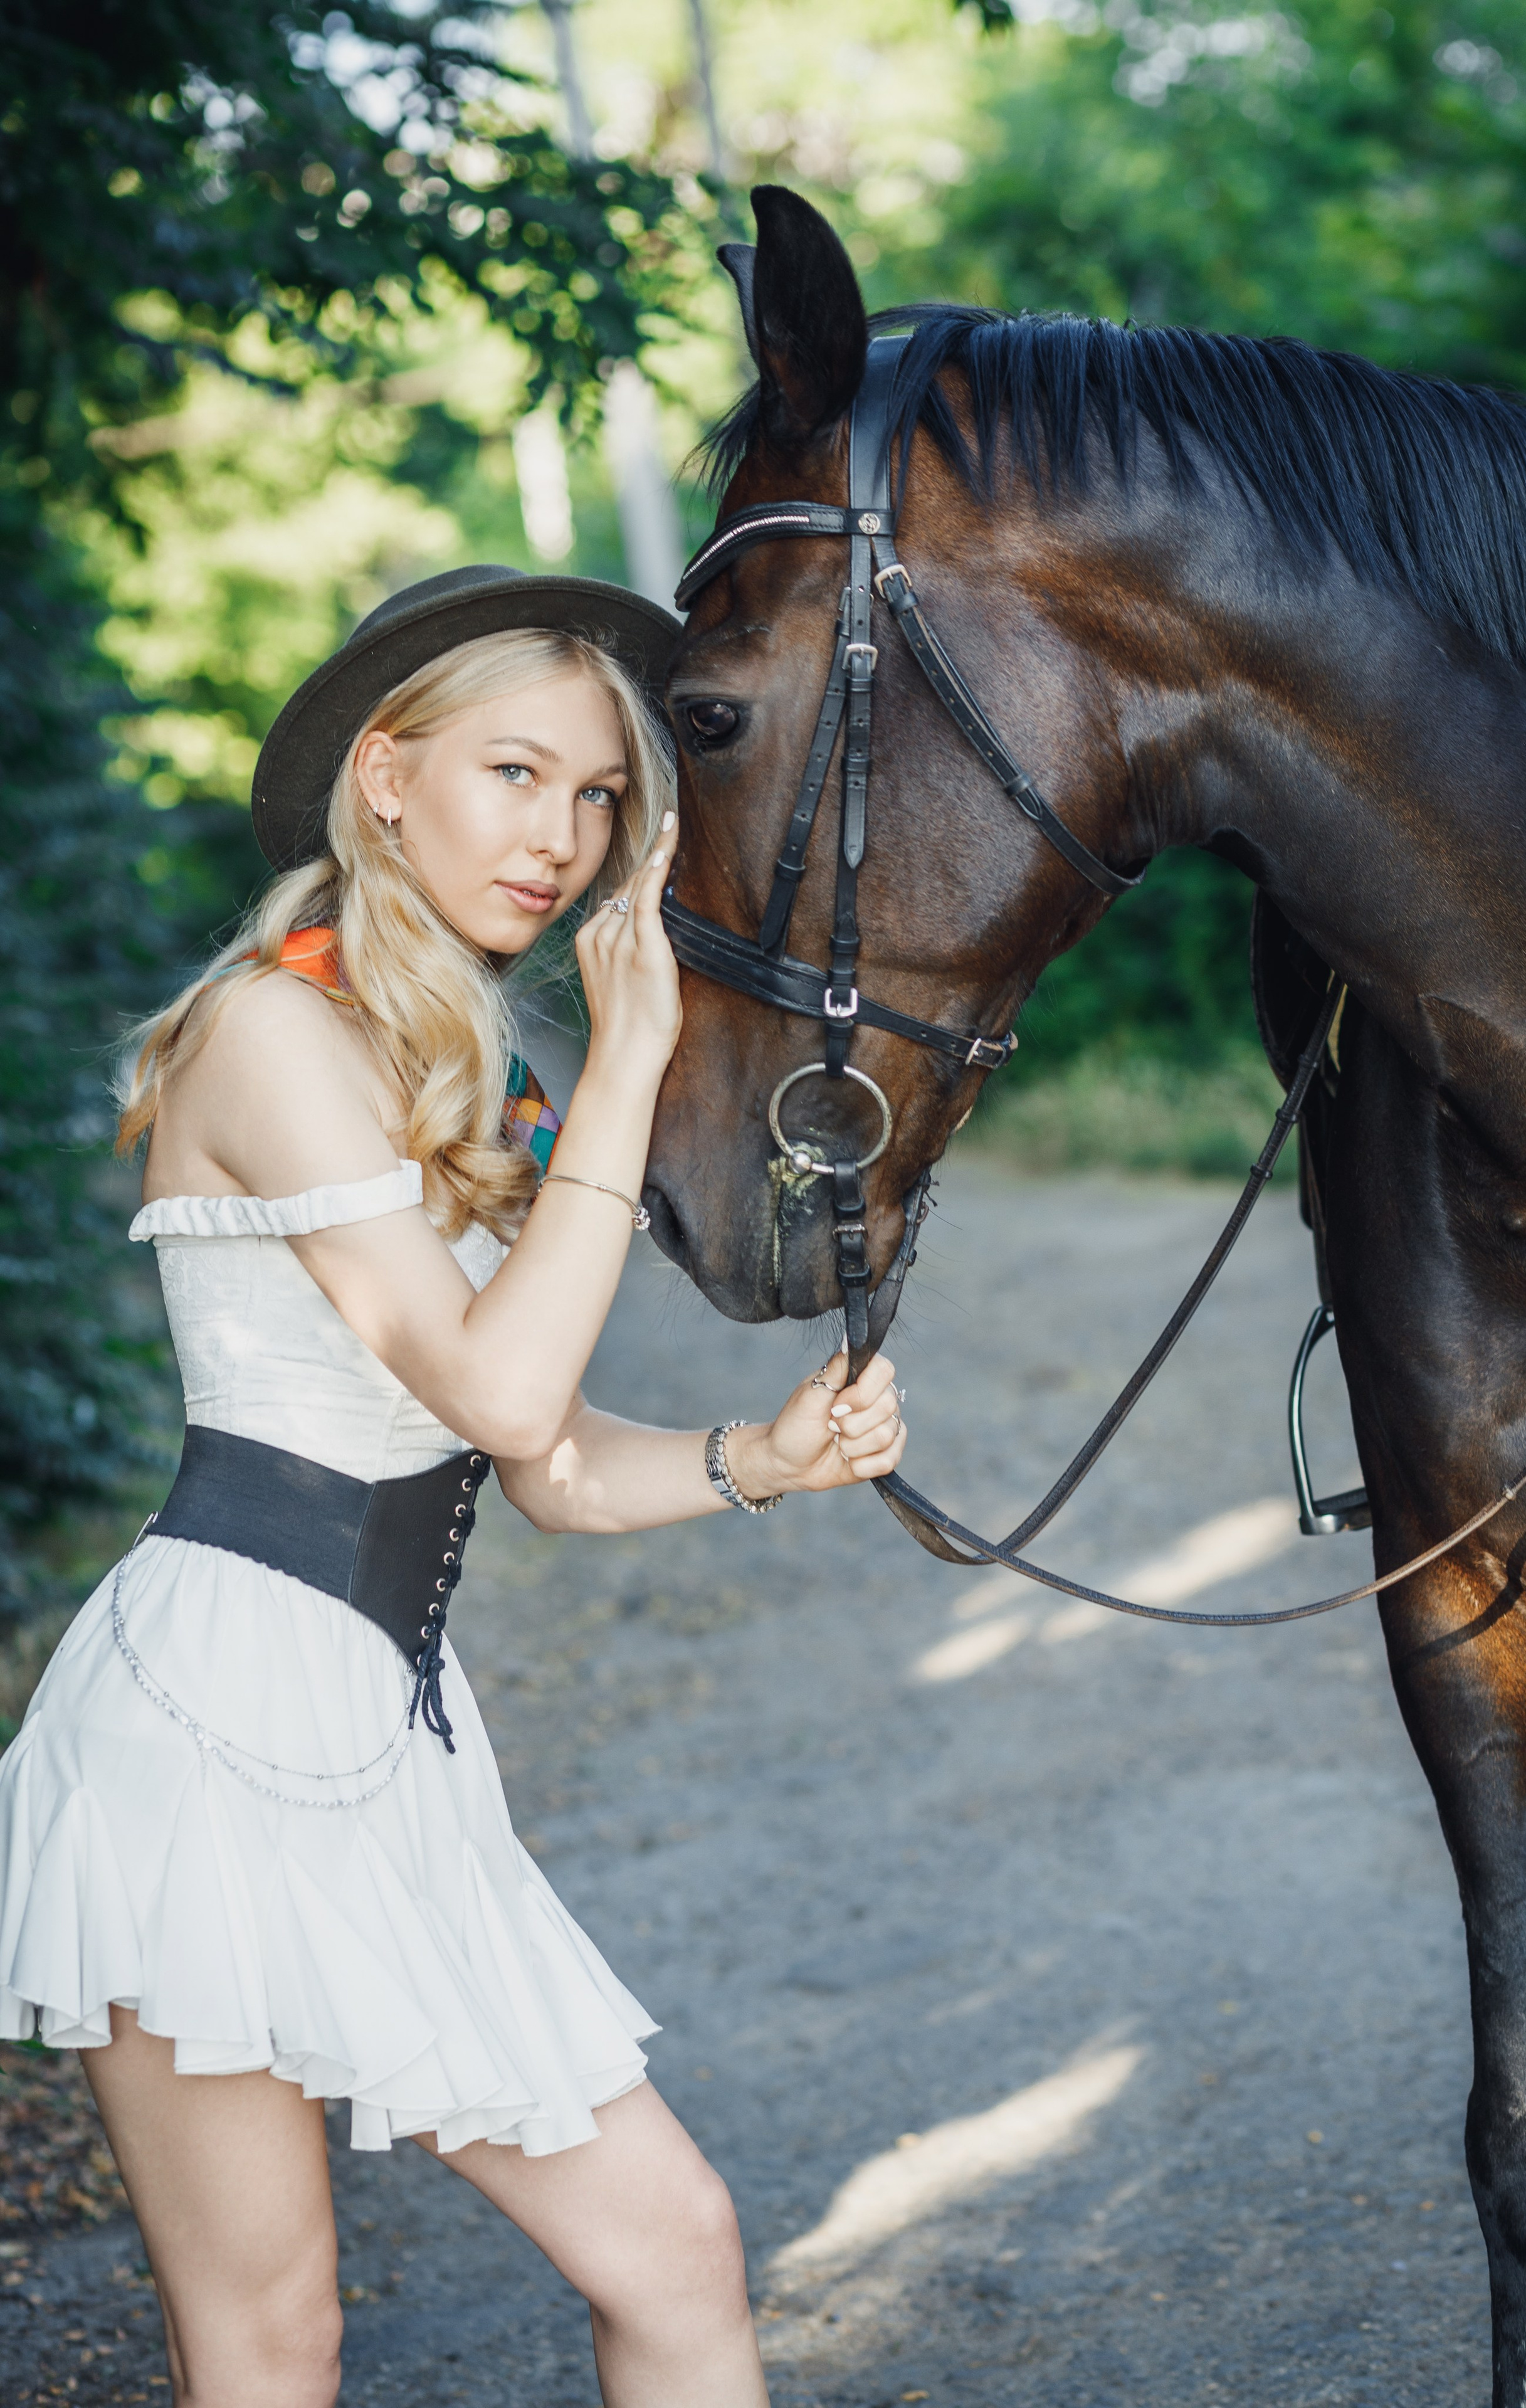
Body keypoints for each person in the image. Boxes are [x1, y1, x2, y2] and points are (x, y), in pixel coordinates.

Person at [0, 566, 907, 2408]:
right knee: (267, 2344)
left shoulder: (463, 1057)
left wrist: (759, 1458)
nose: (562, 839)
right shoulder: (269, 1032)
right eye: (517, 774)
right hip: (210, 1731)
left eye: (599, 801)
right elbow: (504, 1390)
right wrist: (637, 1064)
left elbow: (546, 1469)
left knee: (673, 2248)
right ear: (387, 777)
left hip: (377, 1721)